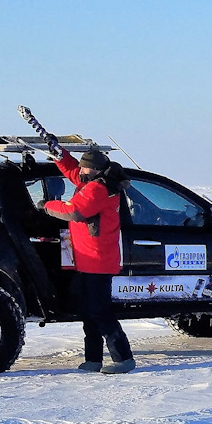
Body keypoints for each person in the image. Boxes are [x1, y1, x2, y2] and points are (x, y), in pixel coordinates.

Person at [43, 148, 136, 374]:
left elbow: (74, 211)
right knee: (89, 312)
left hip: (98, 261)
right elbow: (74, 171)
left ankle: (123, 358)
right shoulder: (94, 180)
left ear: (94, 170)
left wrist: (47, 206)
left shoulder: (99, 188)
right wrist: (59, 154)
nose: (81, 171)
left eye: (85, 167)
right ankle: (93, 359)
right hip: (88, 261)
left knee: (100, 311)